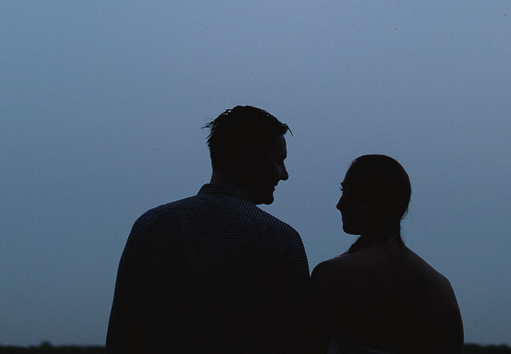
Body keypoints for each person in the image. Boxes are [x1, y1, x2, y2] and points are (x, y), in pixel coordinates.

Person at [106, 105, 312, 354]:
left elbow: (122, 332)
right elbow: (297, 339)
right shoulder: (280, 238)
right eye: (279, 161)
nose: (285, 174)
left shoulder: (150, 225)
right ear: (255, 160)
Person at [310, 155, 464, 354]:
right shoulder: (441, 289)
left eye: (345, 190)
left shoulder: (332, 275)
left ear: (364, 199)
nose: (339, 204)